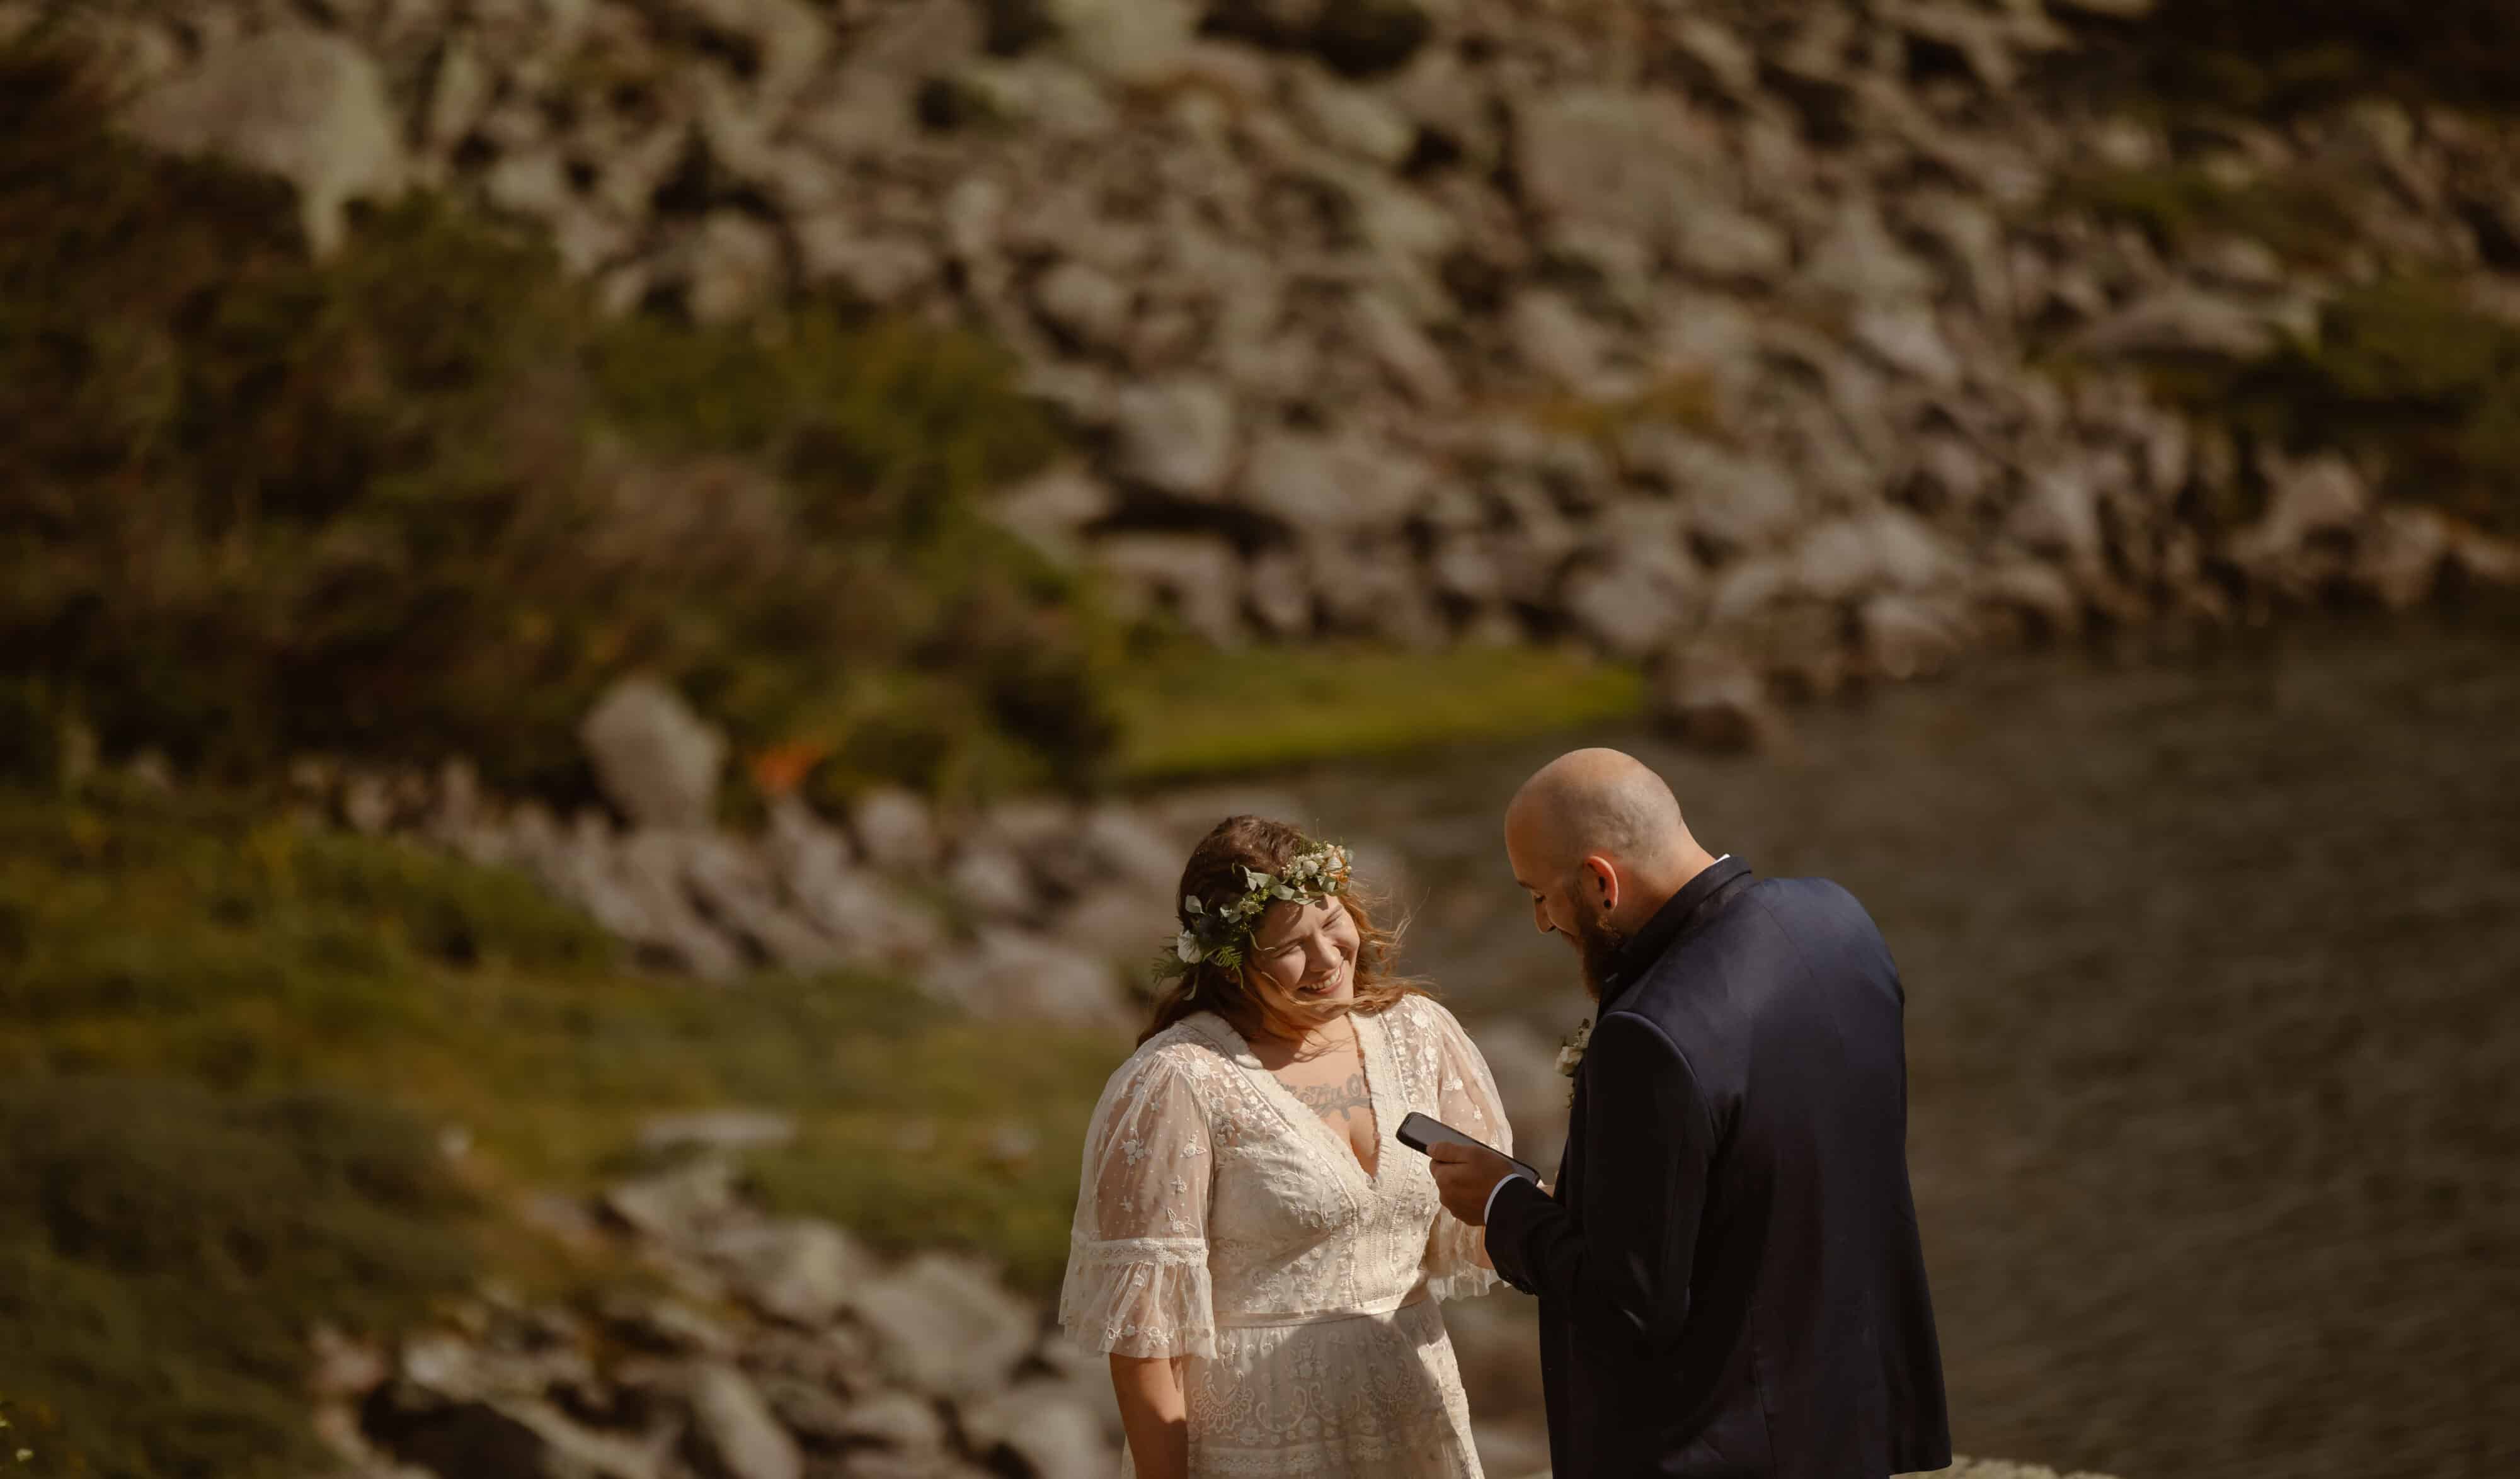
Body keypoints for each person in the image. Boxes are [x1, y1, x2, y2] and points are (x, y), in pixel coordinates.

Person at [1427, 748, 1952, 1478]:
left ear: (1600, 881)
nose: (1542, 922)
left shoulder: (1649, 1033)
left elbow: (1628, 1305)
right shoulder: (1837, 919)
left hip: (1722, 1447)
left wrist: (1504, 1202)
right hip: (1846, 1421)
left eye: (1540, 894)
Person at [1059, 815, 1516, 1479]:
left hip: (1416, 1426)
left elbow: (1474, 1231)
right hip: (1258, 1446)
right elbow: (1145, 1341)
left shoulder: (1419, 1033)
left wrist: (1569, 1199)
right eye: (1291, 947)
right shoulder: (1180, 1078)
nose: (1330, 959)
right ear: (1230, 961)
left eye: (1333, 922)